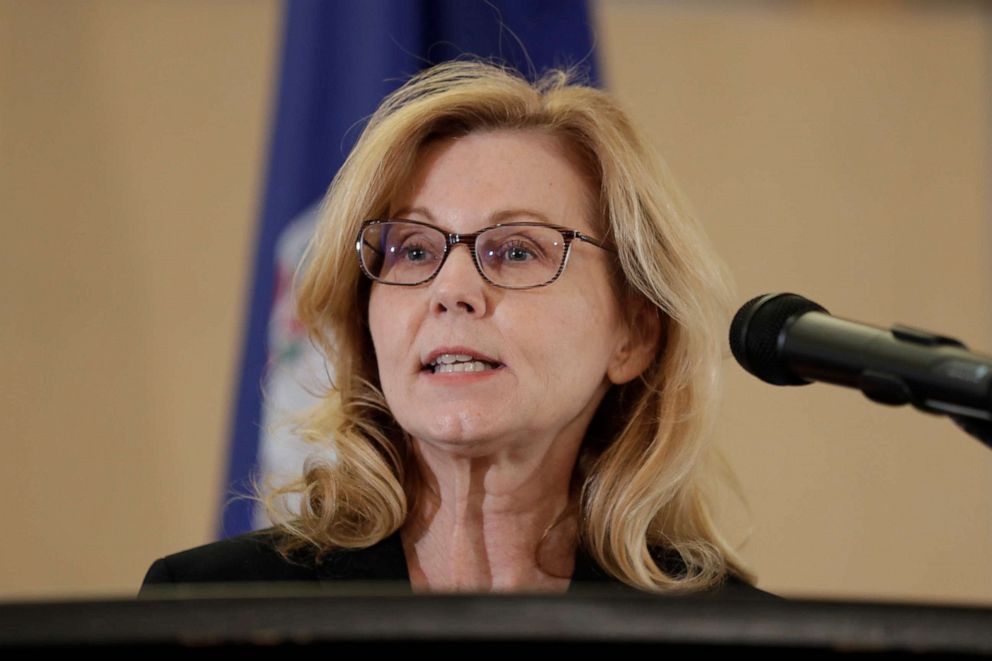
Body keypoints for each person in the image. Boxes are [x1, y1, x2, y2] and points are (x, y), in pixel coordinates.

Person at [141, 60, 774, 598]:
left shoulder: (730, 637)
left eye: (518, 250)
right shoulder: (214, 608)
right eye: (413, 250)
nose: (452, 290)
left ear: (634, 334)